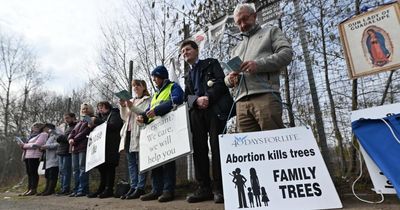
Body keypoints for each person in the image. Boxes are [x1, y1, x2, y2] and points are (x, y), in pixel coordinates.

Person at [225, 3, 293, 132]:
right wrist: (229, 79)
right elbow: (227, 78)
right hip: (241, 103)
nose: (243, 25)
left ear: (255, 16)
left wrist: (258, 65)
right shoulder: (235, 49)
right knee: (249, 149)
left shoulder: (271, 32)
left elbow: (286, 54)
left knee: (274, 143)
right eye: (238, 23)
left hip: (266, 96)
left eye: (245, 19)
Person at [180, 40, 233, 203]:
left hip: (214, 110)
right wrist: (196, 101)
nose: (185, 53)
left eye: (187, 49)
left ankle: (220, 188)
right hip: (197, 114)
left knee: (217, 147)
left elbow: (222, 84)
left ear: (196, 51)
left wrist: (208, 97)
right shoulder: (187, 75)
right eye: (182, 52)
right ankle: (204, 188)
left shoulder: (211, 63)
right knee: (199, 149)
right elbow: (186, 97)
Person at [137, 65, 184, 202]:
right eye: (153, 78)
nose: (154, 80)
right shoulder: (155, 95)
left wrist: (158, 110)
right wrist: (143, 117)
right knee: (156, 161)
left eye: (156, 77)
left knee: (168, 161)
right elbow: (149, 111)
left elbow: (177, 100)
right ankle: (156, 190)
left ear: (162, 77)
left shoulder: (173, 87)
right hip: (155, 131)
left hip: (168, 130)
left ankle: (168, 190)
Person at [119, 79, 151, 199]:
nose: (135, 87)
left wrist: (132, 107)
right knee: (131, 162)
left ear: (143, 87)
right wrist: (123, 106)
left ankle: (140, 187)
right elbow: (124, 117)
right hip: (128, 134)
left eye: (138, 85)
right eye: (133, 86)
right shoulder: (131, 100)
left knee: (141, 161)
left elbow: (145, 113)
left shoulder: (148, 99)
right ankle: (133, 186)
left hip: (140, 132)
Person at [87, 101, 123, 198]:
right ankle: (101, 189)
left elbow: (114, 126)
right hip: (101, 148)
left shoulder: (115, 114)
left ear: (107, 107)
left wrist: (97, 121)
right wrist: (91, 126)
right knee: (102, 169)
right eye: (98, 107)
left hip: (111, 146)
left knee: (110, 168)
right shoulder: (100, 118)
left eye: (101, 107)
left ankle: (109, 189)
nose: (100, 109)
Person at [68, 103, 94, 197]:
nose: (84, 110)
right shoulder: (79, 122)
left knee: (82, 168)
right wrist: (70, 138)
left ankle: (83, 189)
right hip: (75, 147)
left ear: (90, 110)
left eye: (86, 109)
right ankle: (76, 188)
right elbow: (73, 132)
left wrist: (74, 139)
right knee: (75, 169)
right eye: (83, 109)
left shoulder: (90, 120)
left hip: (83, 146)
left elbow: (85, 132)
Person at [18, 122, 48, 196]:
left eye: (36, 126)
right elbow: (29, 145)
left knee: (33, 172)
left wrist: (24, 145)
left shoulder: (43, 134)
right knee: (29, 173)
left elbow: (36, 145)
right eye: (33, 127)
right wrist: (22, 145)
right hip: (27, 155)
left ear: (40, 127)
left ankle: (33, 189)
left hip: (35, 155)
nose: (34, 128)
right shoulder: (31, 136)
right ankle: (29, 188)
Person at [56, 113, 77, 195]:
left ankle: (66, 188)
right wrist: (59, 137)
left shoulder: (75, 126)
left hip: (67, 151)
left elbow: (69, 138)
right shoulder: (67, 127)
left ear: (73, 118)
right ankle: (62, 188)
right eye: (65, 118)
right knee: (61, 171)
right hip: (61, 150)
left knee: (66, 171)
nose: (66, 120)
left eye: (67, 118)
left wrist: (61, 137)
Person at [37, 123, 60, 196]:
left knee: (52, 175)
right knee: (47, 175)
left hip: (54, 157)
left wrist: (46, 146)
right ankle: (46, 189)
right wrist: (42, 148)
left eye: (45, 129)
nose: (45, 131)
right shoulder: (49, 136)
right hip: (48, 158)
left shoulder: (56, 134)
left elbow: (58, 144)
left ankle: (51, 189)